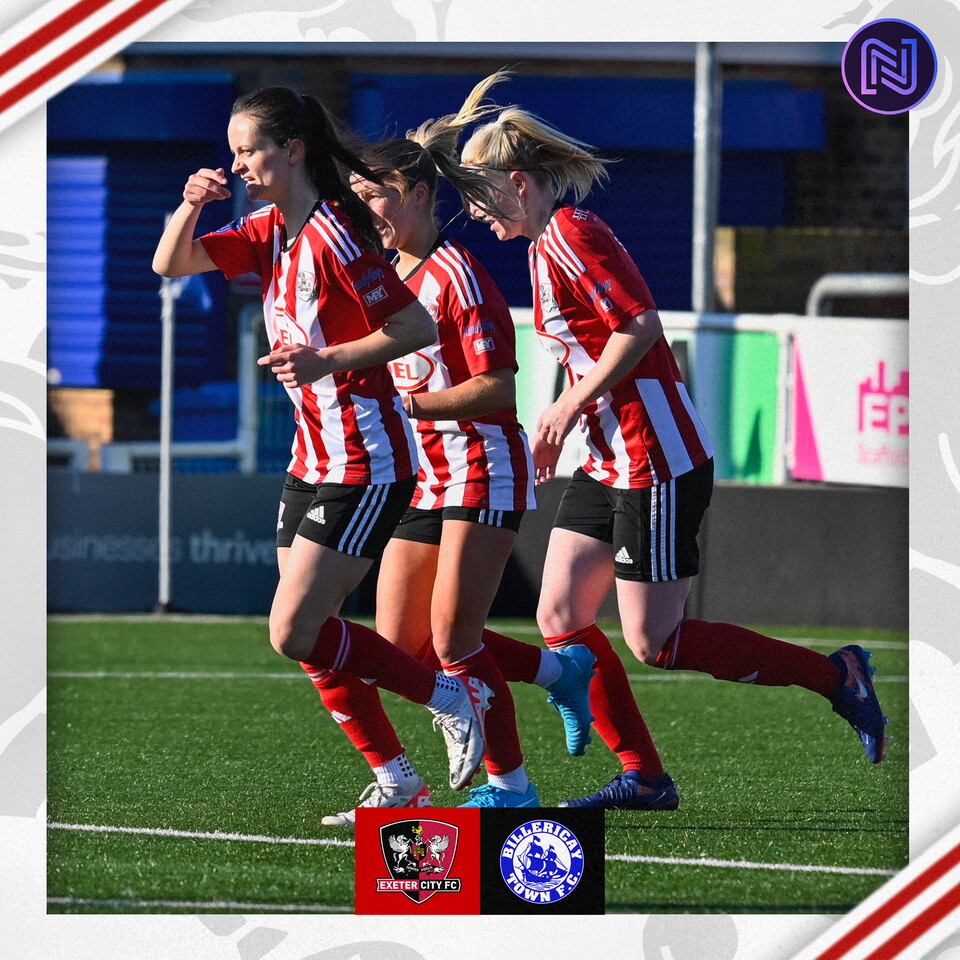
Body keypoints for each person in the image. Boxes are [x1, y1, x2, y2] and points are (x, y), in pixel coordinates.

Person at [455, 71, 889, 809]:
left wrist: (569, 407)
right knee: (559, 616)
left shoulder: (573, 235)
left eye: (479, 194)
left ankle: (836, 676)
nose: (473, 212)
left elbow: (639, 325)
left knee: (656, 643)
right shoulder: (542, 246)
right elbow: (592, 351)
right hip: (610, 460)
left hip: (656, 461)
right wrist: (564, 421)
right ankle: (646, 778)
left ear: (518, 184)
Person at [151, 85, 494, 808]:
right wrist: (190, 205)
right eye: (233, 152)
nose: (237, 165)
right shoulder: (267, 227)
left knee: (292, 630)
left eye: (249, 150)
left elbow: (414, 329)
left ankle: (451, 697)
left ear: (294, 150)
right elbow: (170, 265)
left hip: (367, 459)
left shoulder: (336, 234)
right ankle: (397, 780)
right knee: (313, 634)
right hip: (313, 457)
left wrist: (324, 360)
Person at [309, 98, 598, 821]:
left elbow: (499, 386)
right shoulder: (381, 275)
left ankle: (513, 789)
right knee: (401, 648)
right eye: (354, 197)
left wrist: (412, 406)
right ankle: (558, 672)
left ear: (416, 195)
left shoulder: (457, 273)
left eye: (373, 196)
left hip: (481, 466)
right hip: (424, 477)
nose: (364, 211)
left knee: (454, 641)